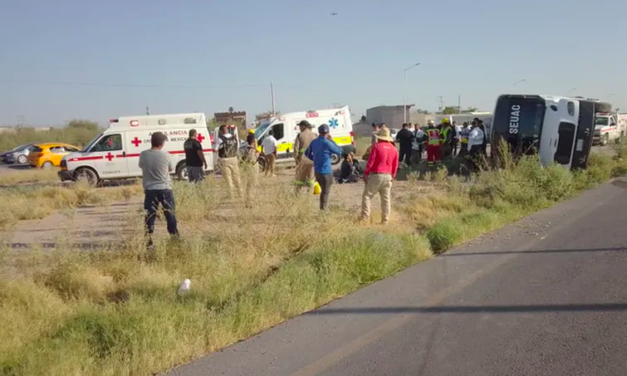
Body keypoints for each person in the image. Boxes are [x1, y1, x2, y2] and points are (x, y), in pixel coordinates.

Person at [138, 132, 179, 247]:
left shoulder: (143, 154)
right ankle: (174, 238)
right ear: (161, 143)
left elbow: (141, 165)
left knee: (149, 217)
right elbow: (170, 169)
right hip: (165, 188)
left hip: (150, 189)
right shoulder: (166, 155)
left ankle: (149, 242)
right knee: (170, 215)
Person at [360, 127, 399, 225]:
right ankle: (385, 221)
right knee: (386, 199)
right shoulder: (394, 149)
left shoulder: (376, 146)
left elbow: (371, 162)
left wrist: (366, 174)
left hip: (376, 175)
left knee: (367, 196)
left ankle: (365, 218)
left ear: (379, 137)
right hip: (388, 176)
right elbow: (395, 165)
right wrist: (393, 176)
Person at [305, 124, 343, 210]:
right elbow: (339, 151)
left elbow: (306, 153)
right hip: (326, 171)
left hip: (317, 171)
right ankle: (323, 210)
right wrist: (332, 141)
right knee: (326, 192)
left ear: (319, 132)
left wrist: (314, 159)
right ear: (328, 132)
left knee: (323, 190)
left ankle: (322, 208)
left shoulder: (314, 142)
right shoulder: (327, 143)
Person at [216, 124, 243, 198]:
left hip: (225, 160)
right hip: (234, 158)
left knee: (228, 178)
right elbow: (237, 147)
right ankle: (241, 193)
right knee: (237, 177)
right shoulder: (234, 138)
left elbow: (215, 149)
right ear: (227, 130)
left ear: (221, 131)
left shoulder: (220, 139)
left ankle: (231, 195)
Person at [293, 120, 316, 192]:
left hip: (302, 160)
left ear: (304, 126)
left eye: (300, 126)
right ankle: (309, 194)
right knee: (311, 178)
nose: (299, 128)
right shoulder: (315, 135)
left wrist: (296, 159)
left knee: (299, 179)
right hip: (312, 161)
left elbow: (296, 149)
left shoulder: (300, 135)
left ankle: (297, 193)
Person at [241, 130, 260, 208]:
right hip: (252, 168)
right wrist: (257, 151)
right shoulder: (251, 150)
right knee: (252, 185)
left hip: (248, 167)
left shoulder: (245, 149)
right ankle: (250, 202)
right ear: (253, 141)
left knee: (249, 185)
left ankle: (248, 201)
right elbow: (254, 158)